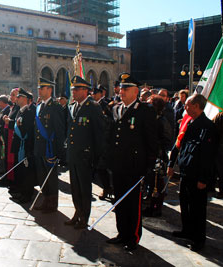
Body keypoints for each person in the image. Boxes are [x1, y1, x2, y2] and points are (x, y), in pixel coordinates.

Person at [106, 72, 158, 252]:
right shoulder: (115, 108)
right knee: (119, 201)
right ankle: (122, 233)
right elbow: (113, 137)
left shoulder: (145, 111)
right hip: (118, 165)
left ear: (136, 91)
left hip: (135, 166)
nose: (122, 91)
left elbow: (152, 140)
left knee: (132, 204)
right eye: (121, 88)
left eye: (126, 88)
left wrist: (149, 166)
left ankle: (133, 237)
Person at [168, 94, 215, 252]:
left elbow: (208, 156)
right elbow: (181, 145)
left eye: (187, 105)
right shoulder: (190, 123)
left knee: (197, 208)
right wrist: (173, 164)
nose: (184, 107)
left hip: (197, 175)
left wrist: (203, 178)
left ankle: (198, 238)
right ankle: (187, 230)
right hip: (186, 171)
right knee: (185, 203)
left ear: (196, 106)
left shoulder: (207, 126)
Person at [65, 76, 105, 229]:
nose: (73, 92)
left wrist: (96, 157)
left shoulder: (93, 107)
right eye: (73, 89)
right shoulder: (74, 106)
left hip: (85, 155)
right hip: (74, 154)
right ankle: (77, 212)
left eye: (76, 89)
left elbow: (99, 134)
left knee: (84, 188)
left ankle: (84, 217)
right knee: (75, 187)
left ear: (85, 90)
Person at [34, 77, 65, 213]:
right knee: (42, 176)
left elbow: (59, 130)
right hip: (40, 147)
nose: (39, 90)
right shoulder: (40, 106)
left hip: (50, 148)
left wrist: (58, 152)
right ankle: (46, 199)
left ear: (49, 89)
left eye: (42, 88)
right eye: (39, 88)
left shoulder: (56, 107)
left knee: (51, 177)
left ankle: (52, 204)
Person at [9, 89, 36, 204]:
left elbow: (28, 129)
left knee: (27, 172)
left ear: (25, 99)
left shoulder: (29, 112)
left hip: (25, 146)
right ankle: (21, 191)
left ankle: (27, 194)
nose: (17, 99)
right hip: (19, 144)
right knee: (20, 170)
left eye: (19, 97)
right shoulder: (21, 111)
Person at [213, 110, 223, 199]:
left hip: (222, 149)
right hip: (222, 148)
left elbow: (213, 130)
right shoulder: (221, 116)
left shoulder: (221, 115)